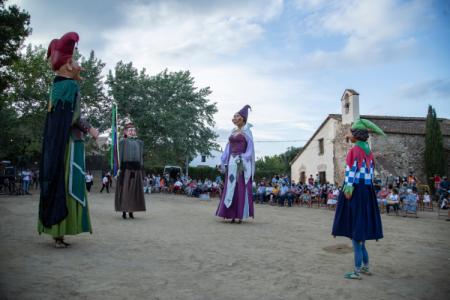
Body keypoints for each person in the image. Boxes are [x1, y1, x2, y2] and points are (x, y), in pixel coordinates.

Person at [37, 32, 99, 248]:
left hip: (55, 145)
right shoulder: (71, 86)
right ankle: (61, 231)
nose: (80, 66)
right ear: (70, 63)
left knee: (57, 180)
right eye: (77, 61)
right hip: (69, 144)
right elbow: (73, 118)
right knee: (68, 181)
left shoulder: (54, 88)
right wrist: (91, 130)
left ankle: (56, 232)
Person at [332, 118, 385, 280]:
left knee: (356, 228)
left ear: (356, 134)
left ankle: (356, 271)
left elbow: (351, 172)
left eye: (350, 131)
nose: (349, 134)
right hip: (367, 190)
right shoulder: (369, 151)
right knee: (362, 227)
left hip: (356, 189)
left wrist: (347, 190)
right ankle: (366, 267)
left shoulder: (354, 150)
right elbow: (370, 173)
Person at [216, 105, 255, 223]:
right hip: (231, 162)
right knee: (230, 185)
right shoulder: (233, 132)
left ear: (242, 118)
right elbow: (228, 148)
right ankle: (230, 213)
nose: (234, 118)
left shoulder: (247, 132)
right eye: (234, 116)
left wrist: (245, 159)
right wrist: (222, 161)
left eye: (237, 116)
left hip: (241, 163)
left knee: (240, 185)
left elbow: (250, 149)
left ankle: (240, 214)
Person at [115, 125, 146, 220]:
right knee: (125, 190)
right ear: (125, 132)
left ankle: (132, 212)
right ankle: (124, 212)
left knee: (134, 191)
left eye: (134, 130)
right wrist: (118, 168)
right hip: (126, 169)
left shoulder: (139, 142)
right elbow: (119, 156)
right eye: (130, 130)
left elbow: (140, 157)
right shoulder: (123, 142)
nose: (133, 132)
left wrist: (140, 168)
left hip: (136, 170)